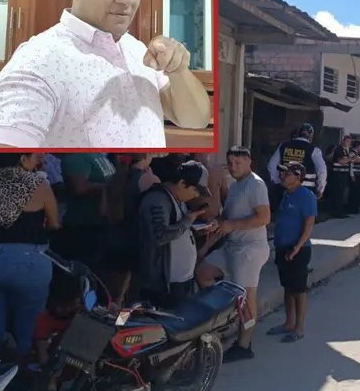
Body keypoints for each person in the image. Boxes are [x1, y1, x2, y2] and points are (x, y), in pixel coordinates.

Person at [0, 0, 211, 148]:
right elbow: (6, 165)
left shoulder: (138, 50)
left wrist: (178, 69)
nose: (127, 0)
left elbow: (196, 120)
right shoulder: (38, 60)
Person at [0, 152, 59, 362]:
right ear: (22, 159)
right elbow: (54, 224)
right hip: (29, 261)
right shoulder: (38, 185)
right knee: (30, 331)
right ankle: (24, 382)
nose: (39, 159)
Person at [197, 146, 271, 362]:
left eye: (238, 163)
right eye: (230, 163)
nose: (233, 166)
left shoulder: (256, 184)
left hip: (249, 249)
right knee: (202, 272)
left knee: (247, 298)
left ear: (249, 162)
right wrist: (204, 246)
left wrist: (233, 224)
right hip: (231, 247)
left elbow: (264, 218)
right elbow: (225, 222)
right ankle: (222, 320)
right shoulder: (235, 185)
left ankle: (244, 344)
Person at [136, 159, 209, 309]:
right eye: (195, 190)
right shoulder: (157, 199)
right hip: (164, 287)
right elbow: (159, 236)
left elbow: (177, 231)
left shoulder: (176, 199)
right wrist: (187, 221)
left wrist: (196, 229)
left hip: (181, 282)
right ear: (182, 183)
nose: (196, 195)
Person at [264, 162, 317, 343]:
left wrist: (297, 247)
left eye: (286, 173)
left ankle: (299, 328)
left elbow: (309, 224)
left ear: (298, 176)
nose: (282, 176)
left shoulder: (306, 196)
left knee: (299, 289)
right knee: (287, 287)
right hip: (282, 247)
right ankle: (288, 322)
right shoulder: (287, 195)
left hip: (298, 249)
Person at [102, 154, 157, 303]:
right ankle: (124, 323)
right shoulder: (147, 179)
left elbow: (103, 210)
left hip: (114, 237)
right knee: (133, 295)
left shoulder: (115, 178)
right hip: (136, 241)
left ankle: (112, 323)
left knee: (114, 295)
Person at [54, 153, 116, 269]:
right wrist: (108, 188)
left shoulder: (98, 155)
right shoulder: (75, 156)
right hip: (83, 228)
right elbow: (79, 187)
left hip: (102, 225)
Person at [33, 275, 83, 367]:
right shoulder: (44, 319)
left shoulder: (83, 314)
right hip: (56, 365)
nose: (68, 309)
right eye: (64, 306)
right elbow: (43, 357)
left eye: (72, 304)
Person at [267, 123, 326, 201]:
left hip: (286, 188)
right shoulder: (314, 150)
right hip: (306, 190)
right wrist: (320, 189)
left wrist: (278, 182)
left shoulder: (283, 146)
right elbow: (322, 170)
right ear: (311, 136)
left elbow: (271, 166)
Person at [327, 136, 353, 218]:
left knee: (341, 194)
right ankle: (336, 212)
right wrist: (350, 158)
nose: (348, 143)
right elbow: (341, 161)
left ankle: (340, 211)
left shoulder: (346, 151)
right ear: (343, 141)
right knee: (337, 194)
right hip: (338, 175)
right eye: (347, 141)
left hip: (344, 175)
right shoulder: (339, 149)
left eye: (349, 142)